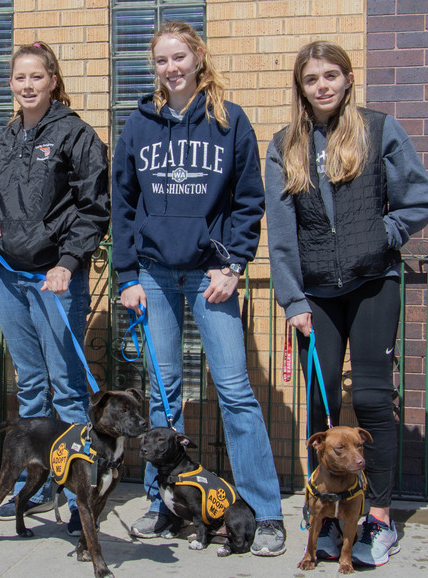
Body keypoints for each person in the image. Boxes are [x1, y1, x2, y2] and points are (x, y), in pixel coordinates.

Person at [112, 21, 286, 556]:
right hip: (155, 277)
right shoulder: (138, 126)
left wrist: (233, 264)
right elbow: (121, 203)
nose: (171, 68)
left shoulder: (230, 121)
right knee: (164, 396)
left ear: (197, 58)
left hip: (212, 276)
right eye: (161, 60)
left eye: (179, 57)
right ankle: (165, 504)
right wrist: (126, 276)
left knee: (235, 392)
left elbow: (248, 198)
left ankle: (264, 512)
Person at [264, 40, 428, 567]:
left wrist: (381, 235)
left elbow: (419, 197)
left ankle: (377, 517)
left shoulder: (379, 129)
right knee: (319, 404)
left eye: (331, 75)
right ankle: (320, 509)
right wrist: (292, 298)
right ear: (301, 85)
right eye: (312, 77)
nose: (323, 85)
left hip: (372, 283)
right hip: (314, 293)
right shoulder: (284, 144)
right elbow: (282, 233)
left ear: (347, 78)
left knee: (371, 398)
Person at [0, 41, 110, 536]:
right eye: (19, 78)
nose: (27, 85)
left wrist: (70, 263)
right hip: (8, 276)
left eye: (37, 77)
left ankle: (79, 496)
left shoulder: (76, 135)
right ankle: (37, 485)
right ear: (10, 84)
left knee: (67, 389)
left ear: (53, 80)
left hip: (56, 279)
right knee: (30, 387)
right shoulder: (0, 142)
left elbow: (95, 207)